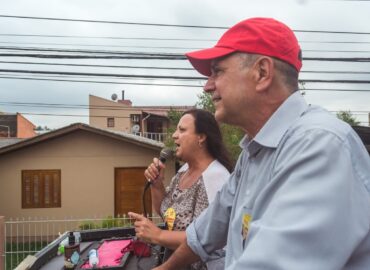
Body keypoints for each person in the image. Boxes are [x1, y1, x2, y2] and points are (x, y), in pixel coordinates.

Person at [154, 17, 370, 270]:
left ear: (262, 73)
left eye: (218, 71)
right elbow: (205, 233)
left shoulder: (319, 146)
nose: (207, 85)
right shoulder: (254, 153)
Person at [128, 108, 233, 270]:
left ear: (201, 137)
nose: (174, 135)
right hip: (176, 262)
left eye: (182, 130)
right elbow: (165, 212)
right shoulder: (183, 171)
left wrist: (159, 235)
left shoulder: (215, 177)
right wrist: (157, 185)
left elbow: (208, 236)